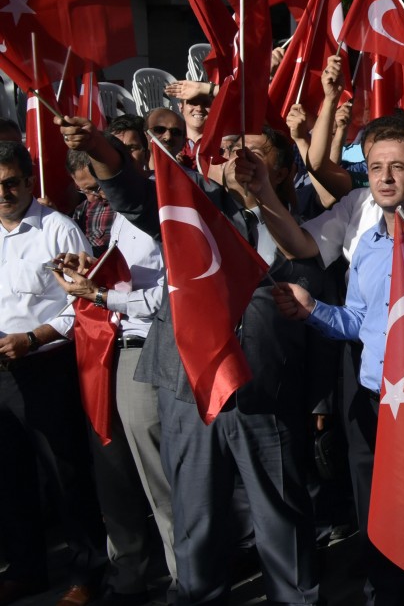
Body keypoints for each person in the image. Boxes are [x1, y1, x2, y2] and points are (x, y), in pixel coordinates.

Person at [60, 116, 323, 606]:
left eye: (253, 153)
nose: (238, 160)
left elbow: (308, 269)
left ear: (282, 170)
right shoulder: (190, 209)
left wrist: (262, 197)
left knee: (280, 519)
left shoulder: (299, 223)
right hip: (188, 390)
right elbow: (132, 193)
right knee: (195, 521)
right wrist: (97, 144)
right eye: (228, 151)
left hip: (263, 393)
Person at [272, 123, 404, 606]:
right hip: (373, 406)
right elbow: (359, 323)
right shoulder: (367, 244)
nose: (384, 178)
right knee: (382, 530)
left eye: (398, 168)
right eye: (376, 168)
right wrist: (312, 310)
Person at [52, 144, 179, 605]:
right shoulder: (121, 217)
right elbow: (126, 275)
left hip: (151, 348)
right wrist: (91, 272)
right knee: (116, 472)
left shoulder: (166, 209)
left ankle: (185, 578)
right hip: (111, 348)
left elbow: (173, 292)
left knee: (159, 478)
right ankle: (132, 575)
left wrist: (105, 298)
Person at [0, 141, 107, 606]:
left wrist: (36, 337)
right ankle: (26, 569)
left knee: (65, 475)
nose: (3, 192)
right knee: (10, 476)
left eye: (10, 183)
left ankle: (86, 574)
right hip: (3, 373)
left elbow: (82, 302)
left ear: (28, 181)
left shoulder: (57, 230)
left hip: (46, 364)